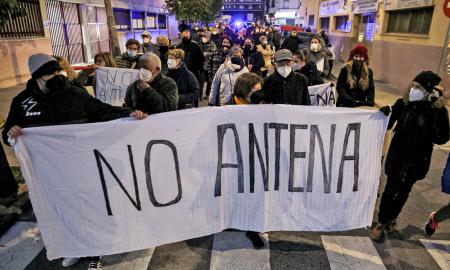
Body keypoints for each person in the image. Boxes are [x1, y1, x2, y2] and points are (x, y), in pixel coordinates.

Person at [2, 54, 147, 270]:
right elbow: (8, 134)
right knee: (63, 212)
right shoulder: (22, 102)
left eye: (57, 72)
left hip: (80, 167)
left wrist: (129, 114)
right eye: (50, 74)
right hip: (48, 173)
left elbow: (103, 111)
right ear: (38, 77)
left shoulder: (74, 94)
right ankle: (74, 248)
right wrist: (11, 132)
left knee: (88, 210)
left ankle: (95, 252)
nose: (56, 77)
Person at [371, 71, 450, 241]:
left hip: (417, 162)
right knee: (390, 190)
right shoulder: (403, 103)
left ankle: (392, 218)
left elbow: (443, 137)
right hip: (397, 157)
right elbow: (388, 123)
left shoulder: (438, 111)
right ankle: (381, 222)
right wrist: (383, 113)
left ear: (428, 91)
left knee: (404, 192)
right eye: (413, 85)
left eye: (418, 87)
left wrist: (431, 128)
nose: (413, 89)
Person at [199, 31, 217, 99]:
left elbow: (214, 53)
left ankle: (207, 94)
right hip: (201, 66)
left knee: (209, 81)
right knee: (201, 82)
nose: (204, 38)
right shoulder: (200, 43)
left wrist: (206, 54)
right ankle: (199, 96)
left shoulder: (212, 44)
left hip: (209, 66)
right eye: (203, 36)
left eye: (205, 36)